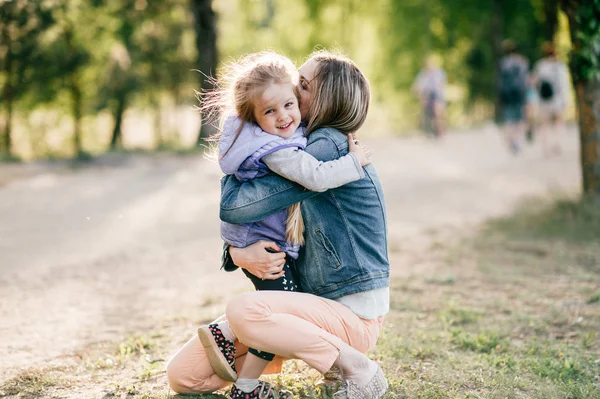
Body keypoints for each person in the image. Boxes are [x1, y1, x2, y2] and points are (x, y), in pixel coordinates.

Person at [167, 50, 390, 399]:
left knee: (243, 310)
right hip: (302, 309)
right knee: (184, 376)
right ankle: (311, 357)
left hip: (349, 316)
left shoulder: (327, 147)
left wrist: (236, 247)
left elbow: (236, 206)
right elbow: (261, 213)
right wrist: (239, 254)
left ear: (325, 98)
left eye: (301, 85)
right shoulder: (288, 145)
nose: (290, 89)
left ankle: (355, 367)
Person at [533, 42, 570, 156]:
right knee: (558, 122)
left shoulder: (540, 66)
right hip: (557, 99)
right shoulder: (560, 66)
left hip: (544, 100)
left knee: (544, 124)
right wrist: (565, 100)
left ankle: (545, 147)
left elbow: (536, 83)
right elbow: (564, 85)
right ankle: (557, 143)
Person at [498, 39, 529, 154]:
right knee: (520, 120)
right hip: (520, 95)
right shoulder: (522, 62)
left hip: (507, 96)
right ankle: (519, 143)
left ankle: (511, 143)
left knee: (508, 120)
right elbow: (524, 81)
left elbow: (500, 82)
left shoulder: (503, 63)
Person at [412, 55, 447, 138]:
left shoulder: (439, 72)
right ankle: (428, 130)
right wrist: (419, 93)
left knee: (438, 110)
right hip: (427, 95)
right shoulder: (422, 74)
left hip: (437, 94)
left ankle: (440, 130)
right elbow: (417, 86)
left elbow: (441, 85)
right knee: (426, 108)